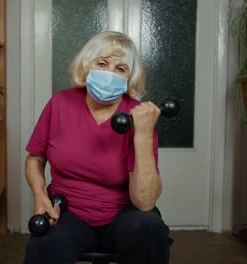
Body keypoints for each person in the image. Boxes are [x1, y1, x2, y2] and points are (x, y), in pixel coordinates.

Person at [23, 31, 173, 264]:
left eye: (120, 68)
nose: (109, 73)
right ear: (87, 67)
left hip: (123, 215)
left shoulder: (138, 115)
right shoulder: (60, 103)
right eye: (102, 63)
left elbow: (145, 202)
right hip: (67, 213)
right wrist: (40, 195)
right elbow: (35, 158)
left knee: (149, 228)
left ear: (129, 79)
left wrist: (142, 134)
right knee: (44, 244)